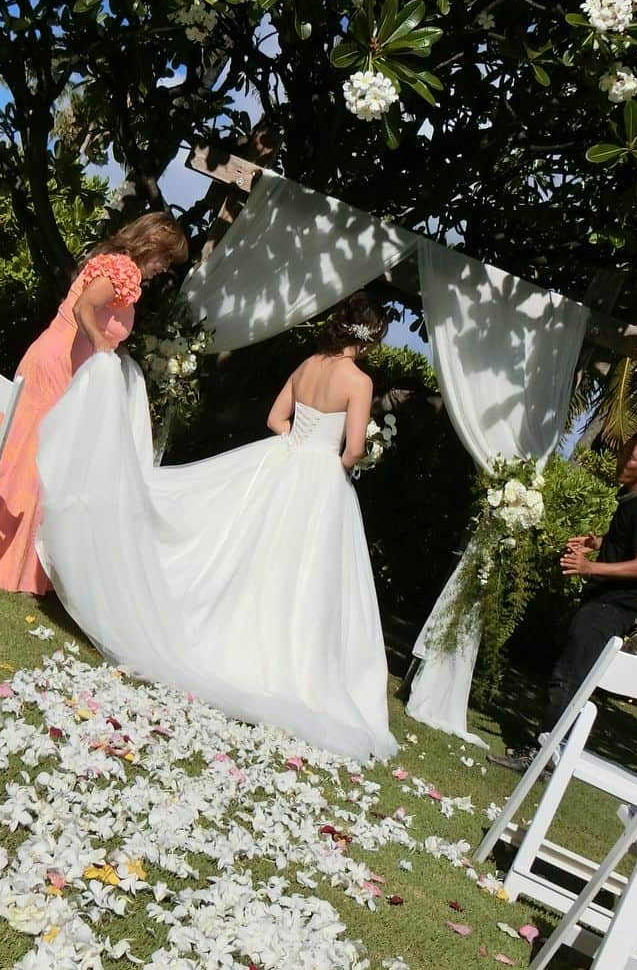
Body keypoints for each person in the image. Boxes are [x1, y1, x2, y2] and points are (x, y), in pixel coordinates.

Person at [33, 291, 399, 759]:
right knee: (302, 575)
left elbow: (274, 419)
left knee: (251, 555)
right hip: (321, 480)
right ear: (367, 342)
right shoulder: (359, 381)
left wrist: (298, 446)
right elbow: (350, 450)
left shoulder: (308, 365)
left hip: (280, 464)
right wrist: (337, 457)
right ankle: (282, 659)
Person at [0, 212, 190, 594]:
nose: (163, 269)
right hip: (58, 368)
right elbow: (84, 307)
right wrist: (100, 341)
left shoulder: (113, 264)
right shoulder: (125, 271)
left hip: (53, 359)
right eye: (165, 259)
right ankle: (1, 562)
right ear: (152, 247)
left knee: (28, 449)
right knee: (40, 455)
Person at [492, 432, 637, 772]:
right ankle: (547, 753)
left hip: (612, 608)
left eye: (630, 458)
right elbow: (627, 542)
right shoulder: (634, 501)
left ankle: (542, 757)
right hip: (600, 601)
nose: (622, 460)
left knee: (569, 679)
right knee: (568, 674)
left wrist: (590, 567)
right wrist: (597, 542)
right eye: (623, 453)